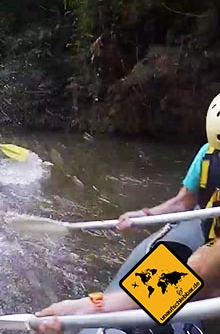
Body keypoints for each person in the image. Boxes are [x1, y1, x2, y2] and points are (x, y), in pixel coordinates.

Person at [34, 93, 220, 333]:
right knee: (198, 270)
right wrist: (146, 214)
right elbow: (182, 202)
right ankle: (108, 311)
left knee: (203, 265)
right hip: (210, 242)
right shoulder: (207, 155)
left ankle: (103, 308)